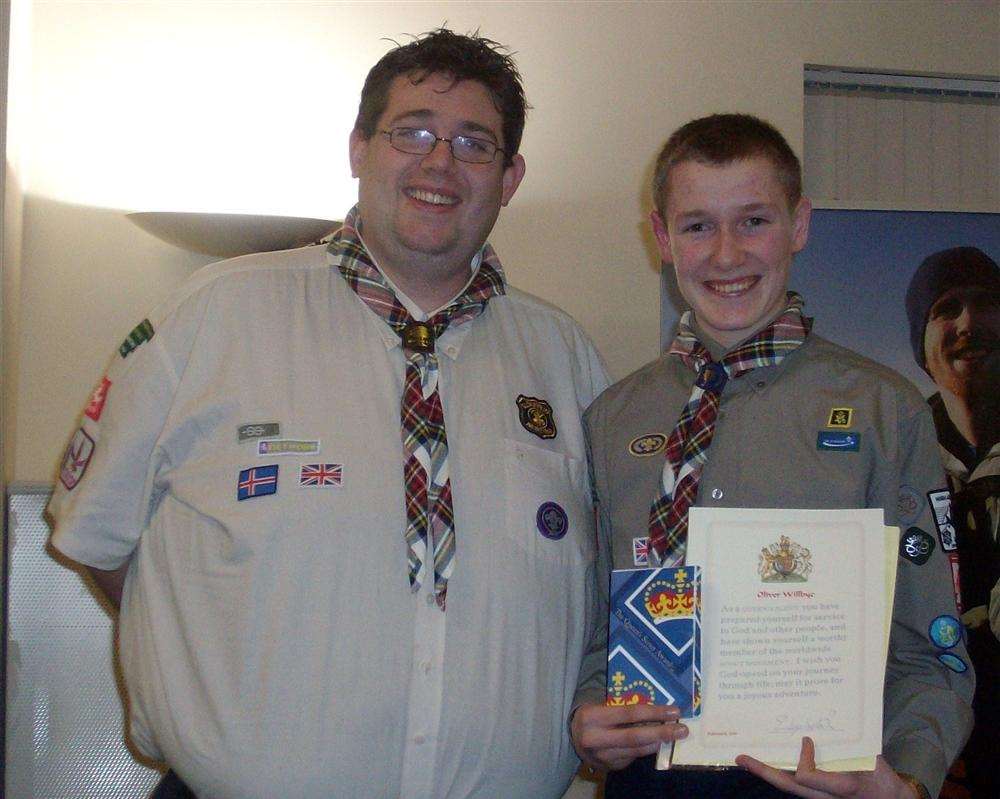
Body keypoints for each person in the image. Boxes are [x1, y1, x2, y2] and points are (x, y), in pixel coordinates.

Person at [47, 29, 609, 799]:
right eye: (411, 131)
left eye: (474, 144)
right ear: (358, 148)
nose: (439, 162)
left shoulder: (565, 359)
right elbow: (98, 533)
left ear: (509, 176)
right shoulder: (214, 313)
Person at [569, 114, 973, 799]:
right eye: (697, 225)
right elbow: (592, 627)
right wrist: (589, 713)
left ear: (799, 225)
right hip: (649, 784)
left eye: (754, 220)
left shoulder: (885, 411)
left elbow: (929, 649)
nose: (726, 255)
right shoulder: (614, 418)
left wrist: (904, 783)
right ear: (662, 237)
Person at [905, 247, 999, 797]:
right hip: (922, 751)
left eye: (986, 303)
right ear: (921, 341)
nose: (967, 323)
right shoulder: (891, 453)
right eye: (947, 307)